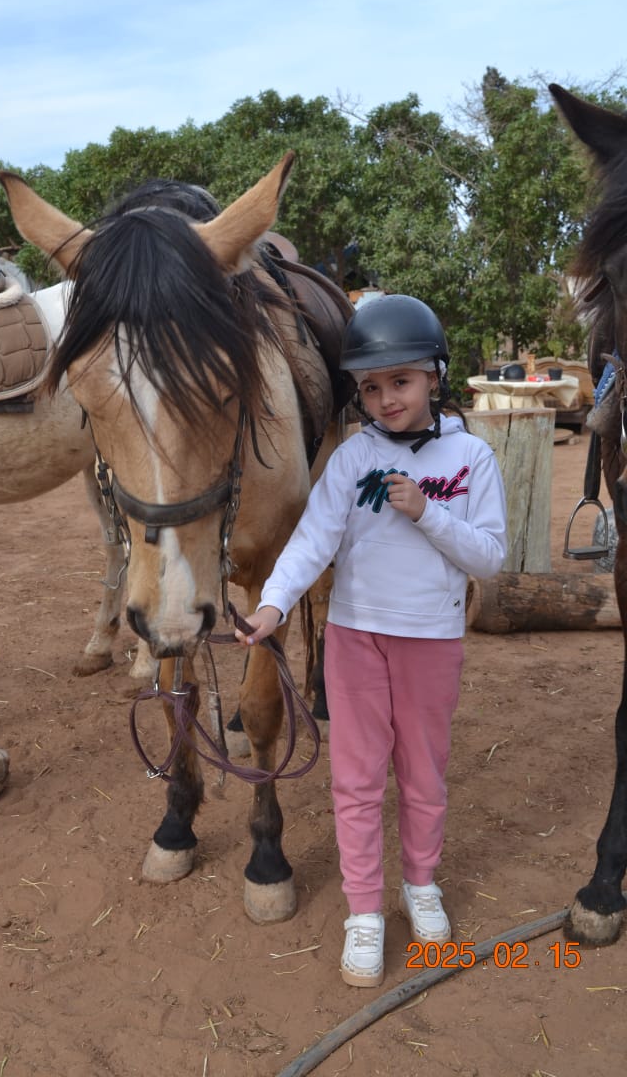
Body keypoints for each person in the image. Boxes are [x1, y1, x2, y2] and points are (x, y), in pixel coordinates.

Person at [236, 294, 507, 988]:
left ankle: (421, 885)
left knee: (423, 777)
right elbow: (311, 541)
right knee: (355, 782)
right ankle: (364, 912)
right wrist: (272, 605)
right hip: (355, 640)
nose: (387, 399)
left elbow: (490, 558)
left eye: (402, 381)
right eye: (372, 387)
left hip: (430, 642)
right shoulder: (353, 459)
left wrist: (427, 512)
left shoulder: (471, 457)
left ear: (435, 375)